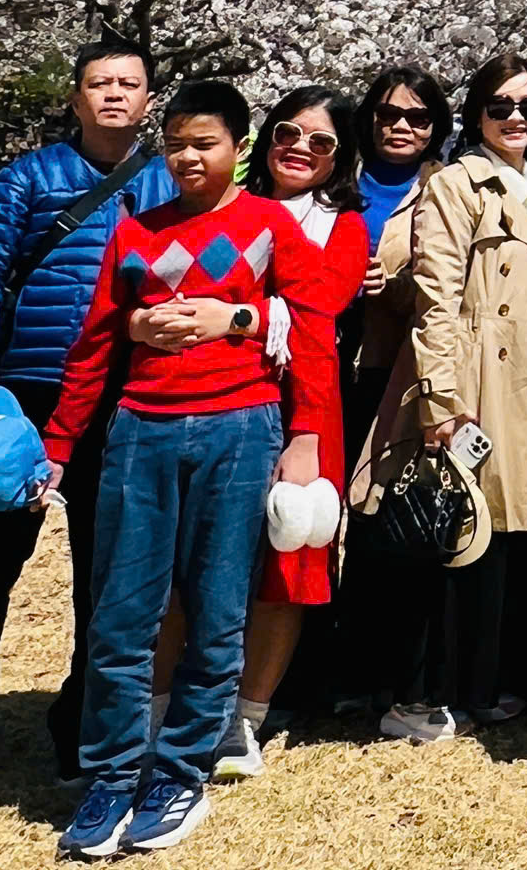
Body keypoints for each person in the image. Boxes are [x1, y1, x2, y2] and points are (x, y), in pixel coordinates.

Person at [41, 81, 328, 857]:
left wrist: (305, 431)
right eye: (175, 145)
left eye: (205, 143)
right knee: (121, 615)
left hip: (242, 428)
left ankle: (180, 774)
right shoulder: (134, 232)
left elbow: (310, 330)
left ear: (238, 147)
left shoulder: (269, 224)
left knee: (217, 609)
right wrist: (60, 443)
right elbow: (96, 344)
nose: (189, 158)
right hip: (141, 429)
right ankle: (111, 776)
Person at [0, 35, 177, 796]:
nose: (114, 95)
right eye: (99, 83)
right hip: (24, 402)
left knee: (107, 583)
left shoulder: (170, 182)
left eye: (129, 83)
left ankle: (81, 732)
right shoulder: (30, 177)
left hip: (123, 402)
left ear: (149, 99)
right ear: (75, 98)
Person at [353, 52, 527, 739]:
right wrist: (443, 401)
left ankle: (480, 684)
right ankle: (418, 697)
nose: (516, 118)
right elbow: (436, 300)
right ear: (476, 114)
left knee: (497, 537)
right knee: (449, 531)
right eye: (500, 106)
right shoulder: (455, 184)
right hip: (474, 380)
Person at [157, 86, 369, 779]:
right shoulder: (217, 206)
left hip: (305, 402)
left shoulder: (343, 226)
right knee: (193, 562)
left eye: (321, 141)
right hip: (207, 396)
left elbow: (318, 307)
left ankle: (245, 719)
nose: (300, 148)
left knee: (286, 563)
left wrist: (236, 314)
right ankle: (169, 711)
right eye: (287, 132)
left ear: (339, 157)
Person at [330, 65, 453, 722]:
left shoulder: (443, 189)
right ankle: (311, 666)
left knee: (384, 524)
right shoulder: (336, 180)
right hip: (323, 365)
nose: (401, 126)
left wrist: (396, 287)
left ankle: (378, 673)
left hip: (395, 372)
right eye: (387, 114)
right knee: (312, 522)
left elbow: (450, 290)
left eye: (417, 117)